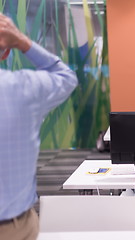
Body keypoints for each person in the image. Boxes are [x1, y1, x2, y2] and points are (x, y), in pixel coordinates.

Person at [0, 13, 78, 239]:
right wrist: (23, 42)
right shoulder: (22, 88)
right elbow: (66, 77)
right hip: (14, 228)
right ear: (6, 52)